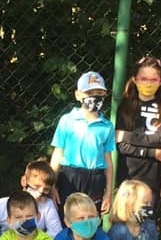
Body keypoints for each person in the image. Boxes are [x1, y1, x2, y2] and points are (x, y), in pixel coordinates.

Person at [50, 71, 116, 215]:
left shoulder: (107, 126)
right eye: (89, 92)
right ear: (78, 95)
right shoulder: (67, 120)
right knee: (66, 217)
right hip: (69, 177)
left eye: (99, 93)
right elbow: (57, 154)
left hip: (95, 179)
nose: (95, 97)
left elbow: (108, 161)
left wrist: (108, 193)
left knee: (91, 219)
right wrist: (52, 185)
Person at [115, 57, 161, 202]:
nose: (148, 83)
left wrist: (126, 136)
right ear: (135, 79)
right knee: (124, 215)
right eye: (144, 79)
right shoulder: (126, 107)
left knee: (145, 215)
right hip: (126, 178)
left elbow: (159, 139)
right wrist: (152, 153)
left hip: (152, 181)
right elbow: (121, 147)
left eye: (153, 80)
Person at [0, 159, 62, 240]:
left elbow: (55, 233)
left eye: (46, 189)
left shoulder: (47, 205)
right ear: (24, 181)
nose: (40, 192)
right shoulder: (2, 205)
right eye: (36, 186)